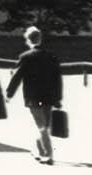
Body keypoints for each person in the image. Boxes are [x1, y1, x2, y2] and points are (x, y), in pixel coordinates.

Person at [4, 25, 64, 164]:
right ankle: (40, 151)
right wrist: (58, 98)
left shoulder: (26, 57)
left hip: (33, 97)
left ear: (28, 40)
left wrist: (9, 94)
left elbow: (17, 77)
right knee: (44, 126)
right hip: (48, 97)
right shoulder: (51, 57)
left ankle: (48, 155)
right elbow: (57, 79)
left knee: (41, 126)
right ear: (40, 39)